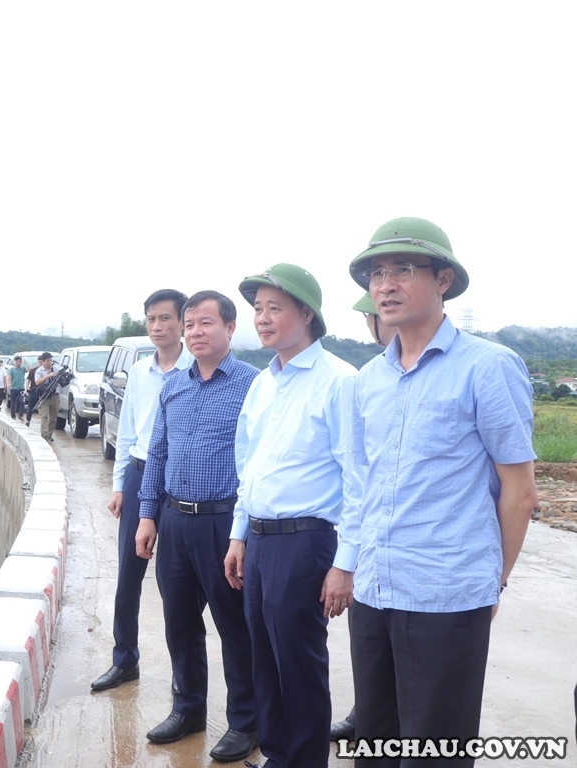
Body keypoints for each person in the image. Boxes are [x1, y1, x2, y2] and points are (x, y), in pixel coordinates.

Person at [342, 217, 537, 768]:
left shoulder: (488, 367)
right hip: (375, 591)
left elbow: (520, 492)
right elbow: (364, 484)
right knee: (375, 745)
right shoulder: (369, 380)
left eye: (404, 269)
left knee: (434, 754)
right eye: (377, 273)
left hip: (447, 595)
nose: (385, 285)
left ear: (443, 280)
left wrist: (492, 580)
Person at [222, 264, 359, 768]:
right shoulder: (262, 384)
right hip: (259, 540)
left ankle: (302, 761)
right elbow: (248, 468)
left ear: (307, 314)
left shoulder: (340, 382)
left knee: (299, 665)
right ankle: (277, 756)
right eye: (258, 309)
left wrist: (345, 563)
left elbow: (357, 479)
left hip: (306, 541)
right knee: (265, 660)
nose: (262, 318)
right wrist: (239, 536)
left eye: (274, 307)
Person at [135, 290, 260, 762]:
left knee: (234, 626)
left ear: (230, 328)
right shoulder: (174, 385)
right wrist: (148, 514)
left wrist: (242, 534)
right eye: (190, 325)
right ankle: (187, 708)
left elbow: (259, 462)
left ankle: (245, 722)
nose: (195, 332)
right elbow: (157, 453)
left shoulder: (253, 384)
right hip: (174, 521)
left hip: (222, 523)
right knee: (179, 622)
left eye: (206, 323)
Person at [90, 289, 191, 693]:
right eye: (151, 319)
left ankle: (184, 677)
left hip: (182, 481)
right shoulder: (139, 373)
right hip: (139, 473)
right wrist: (119, 486)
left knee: (178, 584)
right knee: (129, 573)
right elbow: (127, 429)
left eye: (165, 318)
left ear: (182, 322)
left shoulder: (195, 368)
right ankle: (124, 659)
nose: (157, 327)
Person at [330, 291, 387, 744]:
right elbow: (357, 469)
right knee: (370, 649)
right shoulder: (370, 378)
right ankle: (365, 712)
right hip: (369, 537)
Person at [34, 352, 61, 442]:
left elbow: (61, 380)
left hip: (55, 396)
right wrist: (48, 375)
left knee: (53, 417)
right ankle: (44, 435)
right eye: (48, 361)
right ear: (43, 361)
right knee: (44, 416)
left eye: (51, 360)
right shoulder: (39, 371)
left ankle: (49, 434)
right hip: (44, 396)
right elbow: (37, 382)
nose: (49, 362)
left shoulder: (56, 369)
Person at [7, 356, 27, 421]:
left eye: (19, 362)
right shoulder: (12, 370)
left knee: (22, 402)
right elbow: (9, 377)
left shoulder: (23, 369)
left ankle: (20, 415)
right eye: (16, 362)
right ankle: (13, 416)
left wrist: (26, 363)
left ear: (21, 362)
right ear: (15, 362)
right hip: (13, 388)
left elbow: (30, 370)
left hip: (21, 388)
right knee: (13, 403)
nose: (18, 363)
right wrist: (9, 384)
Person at [25, 355, 43, 427]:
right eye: (39, 362)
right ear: (37, 362)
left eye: (42, 362)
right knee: (30, 408)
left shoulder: (46, 371)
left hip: (43, 391)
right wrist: (26, 390)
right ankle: (28, 421)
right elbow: (28, 381)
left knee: (43, 408)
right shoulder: (33, 371)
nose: (40, 364)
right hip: (33, 391)